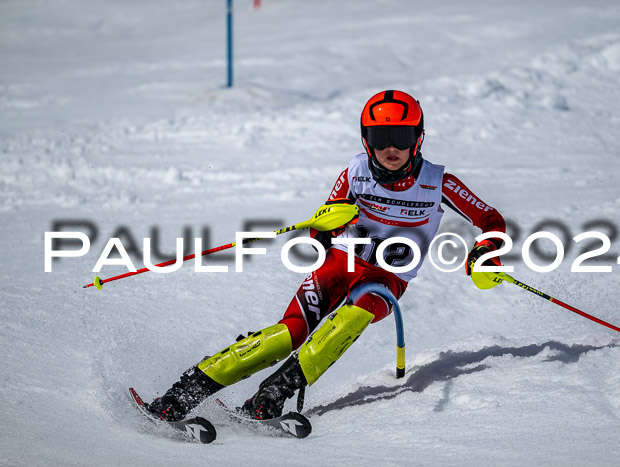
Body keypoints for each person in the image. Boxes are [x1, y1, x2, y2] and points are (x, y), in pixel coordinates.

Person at [145, 90, 507, 421]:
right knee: (289, 334)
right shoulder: (355, 173)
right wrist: (323, 229)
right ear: (366, 140)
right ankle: (182, 394)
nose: (391, 148)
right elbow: (325, 223)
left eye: (403, 136)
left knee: (353, 317)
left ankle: (272, 395)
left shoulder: (438, 182)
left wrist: (487, 249)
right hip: (340, 267)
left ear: (420, 138)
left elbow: (490, 219)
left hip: (386, 281)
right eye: (381, 138)